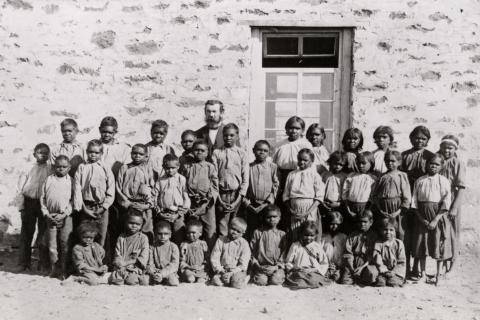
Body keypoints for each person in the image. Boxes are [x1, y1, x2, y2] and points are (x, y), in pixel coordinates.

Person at [411, 154, 453, 285]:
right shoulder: (420, 181)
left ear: (441, 167)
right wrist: (421, 218)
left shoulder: (444, 181)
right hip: (422, 216)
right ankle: (422, 274)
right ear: (426, 165)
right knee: (422, 244)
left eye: (437, 164)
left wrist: (436, 219)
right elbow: (414, 202)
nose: (433, 166)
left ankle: (438, 275)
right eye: (431, 164)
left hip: (437, 216)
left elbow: (446, 202)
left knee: (438, 243)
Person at [401, 125, 434, 277]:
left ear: (427, 140)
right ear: (411, 138)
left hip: (422, 197)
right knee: (406, 233)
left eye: (423, 138)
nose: (419, 141)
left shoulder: (430, 156)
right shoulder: (404, 155)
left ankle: (417, 267)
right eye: (416, 138)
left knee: (419, 234)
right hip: (408, 194)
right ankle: (405, 265)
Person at [16, 143, 52, 272]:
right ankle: (23, 262)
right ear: (34, 154)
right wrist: (21, 206)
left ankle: (43, 262)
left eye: (46, 153)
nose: (43, 155)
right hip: (29, 202)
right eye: (40, 152)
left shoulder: (50, 169)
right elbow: (20, 188)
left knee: (43, 233)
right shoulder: (27, 168)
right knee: (26, 232)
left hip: (43, 203)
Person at [73, 139, 115, 248]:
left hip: (101, 207)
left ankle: (99, 261)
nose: (93, 155)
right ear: (86, 152)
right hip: (86, 206)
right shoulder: (82, 167)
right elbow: (77, 189)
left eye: (96, 153)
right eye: (91, 152)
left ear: (101, 154)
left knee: (101, 235)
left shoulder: (105, 168)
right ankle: (85, 261)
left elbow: (111, 189)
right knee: (85, 235)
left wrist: (104, 207)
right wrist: (84, 209)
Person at [212, 123, 248, 237]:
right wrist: (219, 198)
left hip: (236, 194)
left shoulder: (241, 153)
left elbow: (245, 178)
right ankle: (223, 250)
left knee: (236, 226)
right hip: (221, 194)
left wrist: (239, 198)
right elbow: (214, 177)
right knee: (222, 224)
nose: (228, 138)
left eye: (232, 135)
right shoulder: (217, 152)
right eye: (226, 135)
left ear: (237, 136)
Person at [180, 140, 218, 248]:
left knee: (209, 230)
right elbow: (182, 184)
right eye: (197, 150)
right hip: (191, 203)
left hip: (207, 204)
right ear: (192, 151)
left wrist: (205, 205)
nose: (199, 152)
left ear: (207, 153)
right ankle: (190, 255)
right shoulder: (186, 166)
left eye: (202, 150)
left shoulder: (210, 167)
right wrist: (187, 200)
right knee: (191, 230)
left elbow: (214, 187)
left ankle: (209, 256)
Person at [40, 155, 73, 278]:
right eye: (58, 166)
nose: (61, 169)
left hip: (66, 217)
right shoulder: (49, 180)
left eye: (64, 167)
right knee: (52, 245)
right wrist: (46, 214)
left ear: (69, 168)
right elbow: (42, 198)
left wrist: (65, 214)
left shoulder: (71, 181)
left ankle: (64, 270)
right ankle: (54, 269)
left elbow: (73, 201)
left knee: (65, 243)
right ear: (54, 167)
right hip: (51, 216)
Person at [283, 148, 324, 242]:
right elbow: (286, 195)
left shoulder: (315, 175)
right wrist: (291, 210)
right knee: (295, 233)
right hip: (294, 208)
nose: (302, 162)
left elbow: (319, 197)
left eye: (305, 160)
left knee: (309, 232)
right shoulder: (291, 175)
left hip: (309, 207)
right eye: (300, 159)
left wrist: (307, 212)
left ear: (311, 161)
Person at [116, 144, 155, 243]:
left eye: (140, 154)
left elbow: (153, 188)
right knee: (128, 230)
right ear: (131, 154)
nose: (137, 156)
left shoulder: (148, 169)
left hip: (143, 205)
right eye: (135, 153)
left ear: (146, 156)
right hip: (128, 204)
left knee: (146, 231)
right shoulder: (124, 168)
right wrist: (126, 202)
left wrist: (147, 205)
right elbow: (118, 187)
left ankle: (146, 254)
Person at [438, 134, 466, 268]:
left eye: (450, 148)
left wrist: (454, 207)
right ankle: (442, 263)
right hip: (440, 200)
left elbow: (461, 187)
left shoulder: (458, 163)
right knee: (442, 232)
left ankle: (452, 265)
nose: (447, 151)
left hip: (453, 199)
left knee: (453, 231)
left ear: (455, 149)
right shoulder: (438, 160)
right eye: (444, 148)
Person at [372, 150, 411, 242]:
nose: (389, 163)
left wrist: (398, 211)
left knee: (399, 231)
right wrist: (380, 209)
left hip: (397, 208)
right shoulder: (382, 177)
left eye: (392, 161)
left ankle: (399, 253)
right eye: (387, 161)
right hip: (383, 208)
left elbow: (406, 195)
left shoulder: (402, 175)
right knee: (384, 229)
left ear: (399, 162)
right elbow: (375, 195)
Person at [244, 140, 279, 240]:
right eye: (259, 150)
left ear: (269, 153)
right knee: (252, 230)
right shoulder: (248, 167)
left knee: (266, 230)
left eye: (265, 150)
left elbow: (276, 186)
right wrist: (248, 204)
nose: (262, 152)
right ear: (253, 151)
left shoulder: (273, 167)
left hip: (267, 205)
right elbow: (244, 186)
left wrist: (267, 203)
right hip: (252, 205)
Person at [154, 154, 190, 245]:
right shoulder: (160, 181)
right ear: (163, 167)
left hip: (177, 213)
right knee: (163, 237)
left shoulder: (181, 179)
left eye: (173, 168)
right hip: (164, 214)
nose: (170, 170)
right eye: (167, 168)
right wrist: (159, 212)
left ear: (178, 167)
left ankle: (178, 256)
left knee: (179, 236)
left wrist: (179, 213)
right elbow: (155, 197)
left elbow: (186, 198)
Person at [284, 221, 330, 289]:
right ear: (301, 234)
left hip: (313, 272)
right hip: (299, 271)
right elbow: (288, 262)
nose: (309, 238)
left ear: (316, 235)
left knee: (313, 279)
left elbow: (324, 263)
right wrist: (295, 268)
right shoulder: (295, 246)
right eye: (306, 235)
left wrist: (313, 269)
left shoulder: (317, 246)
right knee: (299, 280)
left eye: (312, 235)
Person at [109, 208, 150, 285]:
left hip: (135, 267)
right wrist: (120, 264)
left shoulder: (143, 238)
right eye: (131, 223)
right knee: (115, 280)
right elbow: (117, 254)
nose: (134, 226)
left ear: (141, 225)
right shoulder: (121, 237)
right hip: (121, 267)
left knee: (131, 281)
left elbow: (143, 258)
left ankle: (136, 277)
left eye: (138, 224)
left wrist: (126, 263)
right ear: (125, 222)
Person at [250, 205, 287, 286]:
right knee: (261, 281)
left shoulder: (282, 234)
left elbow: (284, 253)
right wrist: (257, 265)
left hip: (276, 267)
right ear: (264, 218)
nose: (272, 219)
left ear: (279, 218)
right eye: (269, 217)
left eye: (274, 217)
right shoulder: (258, 232)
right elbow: (252, 251)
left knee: (275, 281)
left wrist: (276, 267)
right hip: (261, 267)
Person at [272, 116, 312, 191]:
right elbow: (273, 162)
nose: (294, 131)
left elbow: (310, 163)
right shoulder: (279, 145)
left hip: (299, 175)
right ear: (286, 129)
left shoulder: (306, 145)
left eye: (297, 128)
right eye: (291, 128)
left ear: (302, 130)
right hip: (282, 176)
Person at [341, 151, 377, 234]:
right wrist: (348, 209)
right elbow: (345, 193)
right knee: (351, 229)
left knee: (364, 229)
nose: (360, 165)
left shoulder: (373, 178)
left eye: (363, 163)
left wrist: (368, 210)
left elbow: (373, 196)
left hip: (366, 207)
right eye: (358, 163)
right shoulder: (351, 176)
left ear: (371, 163)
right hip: (351, 207)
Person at [210, 217, 251, 289]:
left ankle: (245, 278)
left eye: (238, 231)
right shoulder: (220, 240)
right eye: (233, 229)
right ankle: (226, 280)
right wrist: (220, 270)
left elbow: (243, 264)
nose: (234, 232)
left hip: (237, 270)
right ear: (228, 227)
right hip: (223, 270)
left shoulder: (244, 244)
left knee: (236, 282)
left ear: (242, 233)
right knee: (216, 281)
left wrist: (233, 272)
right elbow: (214, 258)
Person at [340, 210, 378, 285]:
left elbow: (372, 255)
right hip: (353, 262)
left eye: (365, 222)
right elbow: (348, 253)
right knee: (345, 281)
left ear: (371, 222)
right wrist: (351, 267)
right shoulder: (352, 236)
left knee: (371, 274)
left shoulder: (374, 236)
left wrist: (362, 267)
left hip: (367, 263)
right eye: (360, 221)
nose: (362, 224)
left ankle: (361, 278)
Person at [71, 221, 109, 285]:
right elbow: (81, 265)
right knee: (93, 282)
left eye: (91, 238)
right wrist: (96, 269)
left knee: (112, 277)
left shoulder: (96, 245)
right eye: (85, 237)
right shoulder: (77, 248)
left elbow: (102, 256)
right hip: (86, 271)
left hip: (97, 269)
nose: (88, 239)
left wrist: (104, 267)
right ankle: (77, 278)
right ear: (80, 236)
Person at [372, 218, 406, 287]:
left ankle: (395, 279)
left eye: (391, 230)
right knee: (380, 282)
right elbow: (377, 260)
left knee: (393, 282)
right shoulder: (378, 243)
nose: (388, 232)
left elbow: (401, 261)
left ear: (395, 231)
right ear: (381, 231)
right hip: (382, 271)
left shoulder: (399, 243)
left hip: (396, 271)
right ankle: (383, 278)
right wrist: (384, 271)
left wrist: (394, 272)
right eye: (385, 230)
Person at [147, 221, 180, 286]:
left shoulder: (173, 247)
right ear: (155, 234)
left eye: (166, 234)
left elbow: (174, 264)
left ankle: (163, 279)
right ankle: (158, 279)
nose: (163, 236)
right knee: (144, 281)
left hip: (168, 272)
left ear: (170, 234)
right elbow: (150, 263)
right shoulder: (152, 247)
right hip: (156, 272)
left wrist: (162, 273)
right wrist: (154, 273)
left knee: (173, 282)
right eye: (160, 234)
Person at [179, 219, 209, 283]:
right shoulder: (184, 245)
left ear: (200, 233)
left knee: (200, 281)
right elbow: (182, 261)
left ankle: (200, 277)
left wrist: (201, 267)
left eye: (193, 233)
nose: (190, 235)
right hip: (188, 269)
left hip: (201, 269)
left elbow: (207, 259)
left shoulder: (203, 244)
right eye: (188, 233)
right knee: (190, 279)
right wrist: (189, 267)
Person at [320, 211, 347, 282]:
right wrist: (327, 265)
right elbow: (319, 254)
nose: (335, 226)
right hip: (325, 266)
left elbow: (345, 254)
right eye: (332, 224)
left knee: (337, 278)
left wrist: (338, 266)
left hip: (339, 266)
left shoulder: (343, 237)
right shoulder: (323, 237)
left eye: (337, 224)